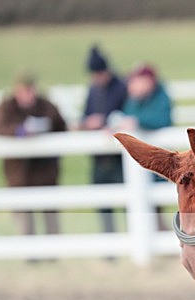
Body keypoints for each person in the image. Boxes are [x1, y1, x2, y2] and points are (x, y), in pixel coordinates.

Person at [0, 71, 67, 236]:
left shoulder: (46, 106)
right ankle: (30, 256)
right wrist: (19, 131)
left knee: (50, 214)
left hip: (45, 171)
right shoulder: (6, 107)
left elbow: (61, 125)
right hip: (19, 173)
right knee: (24, 217)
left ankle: (53, 253)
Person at [111, 63, 173, 231]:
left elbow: (162, 119)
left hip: (157, 159)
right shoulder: (134, 100)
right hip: (141, 161)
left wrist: (136, 121)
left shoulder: (160, 97)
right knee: (148, 209)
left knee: (155, 207)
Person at [80, 44, 127, 233]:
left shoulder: (121, 87)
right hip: (99, 156)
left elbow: (124, 114)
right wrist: (87, 123)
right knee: (103, 204)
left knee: (127, 204)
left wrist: (107, 121)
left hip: (118, 157)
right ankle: (110, 247)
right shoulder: (93, 90)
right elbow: (85, 114)